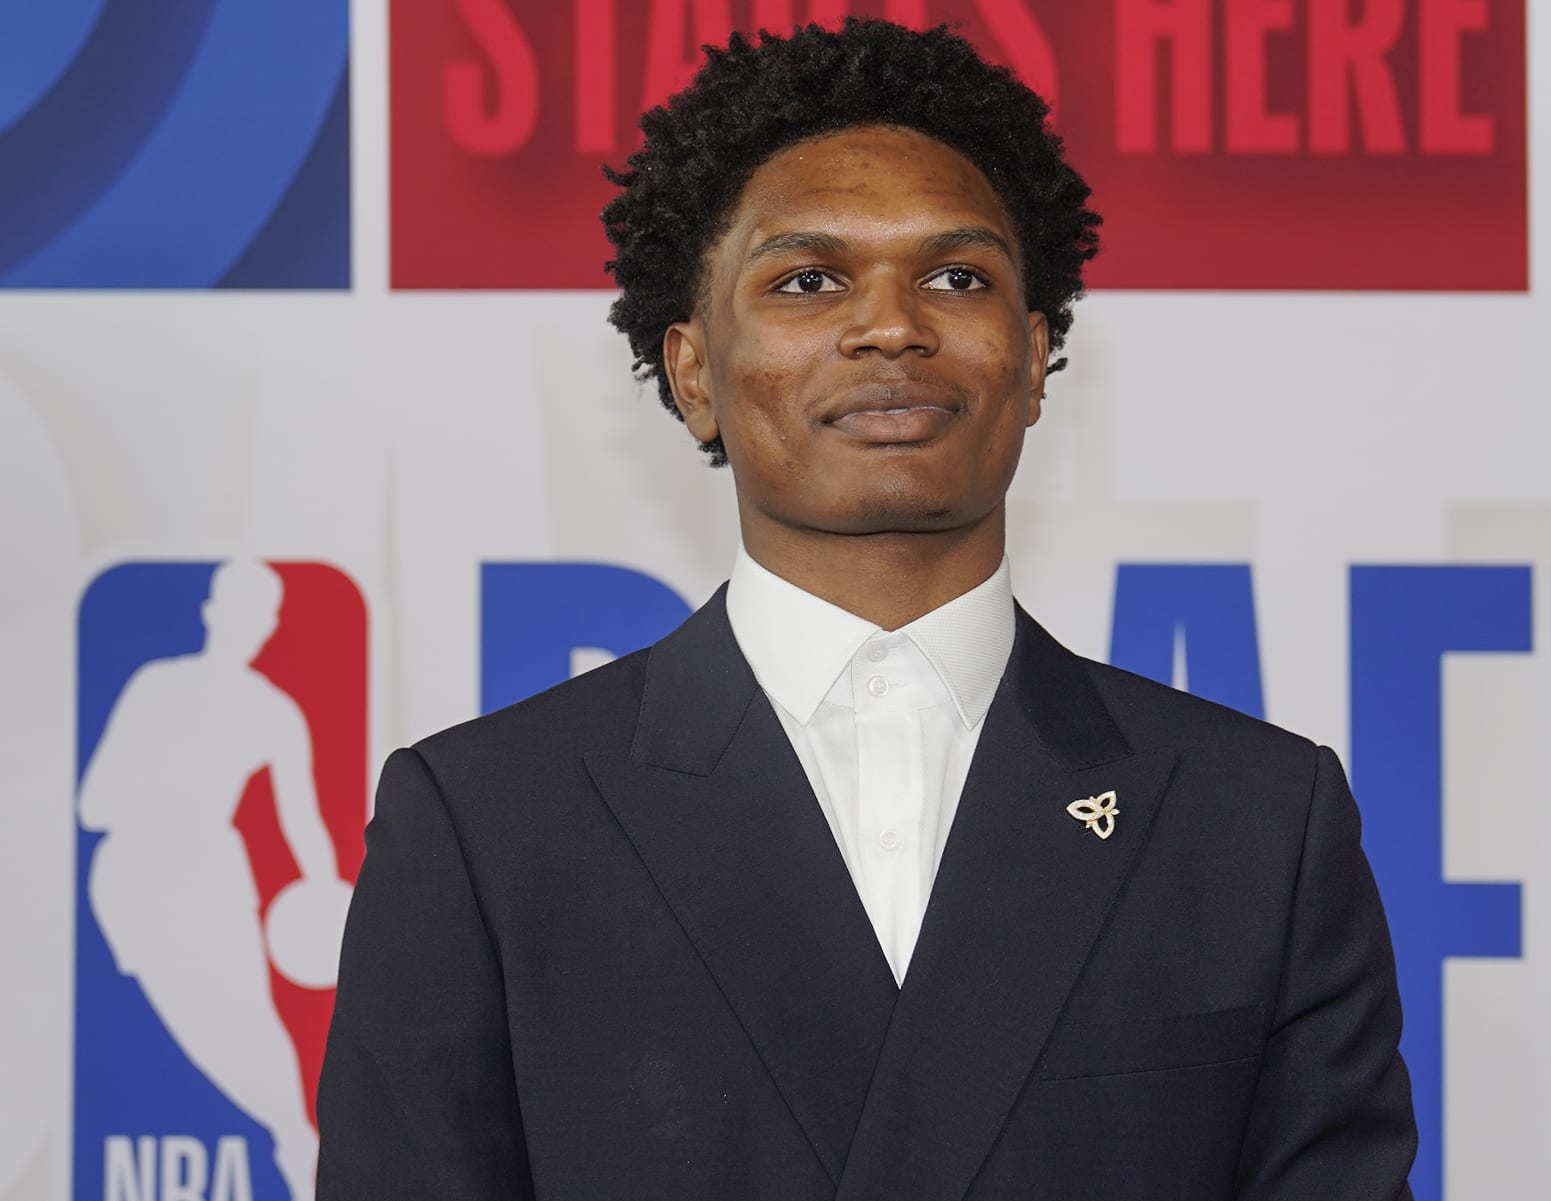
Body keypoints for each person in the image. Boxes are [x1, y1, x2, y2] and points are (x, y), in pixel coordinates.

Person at [317, 19, 1416, 1200]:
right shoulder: (486, 825)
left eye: (958, 276)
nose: (893, 324)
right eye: (807, 279)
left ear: (1036, 358)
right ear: (693, 373)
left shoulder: (1257, 822)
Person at [82, 559, 335, 1201]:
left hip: (206, 874)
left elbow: (301, 823)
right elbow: (92, 804)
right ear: (213, 612)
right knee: (216, 1025)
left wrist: (330, 897)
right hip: (141, 877)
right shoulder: (159, 688)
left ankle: (299, 1145)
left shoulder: (270, 711)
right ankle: (294, 1139)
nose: (252, 627)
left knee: (246, 1023)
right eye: (245, 611)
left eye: (261, 615)